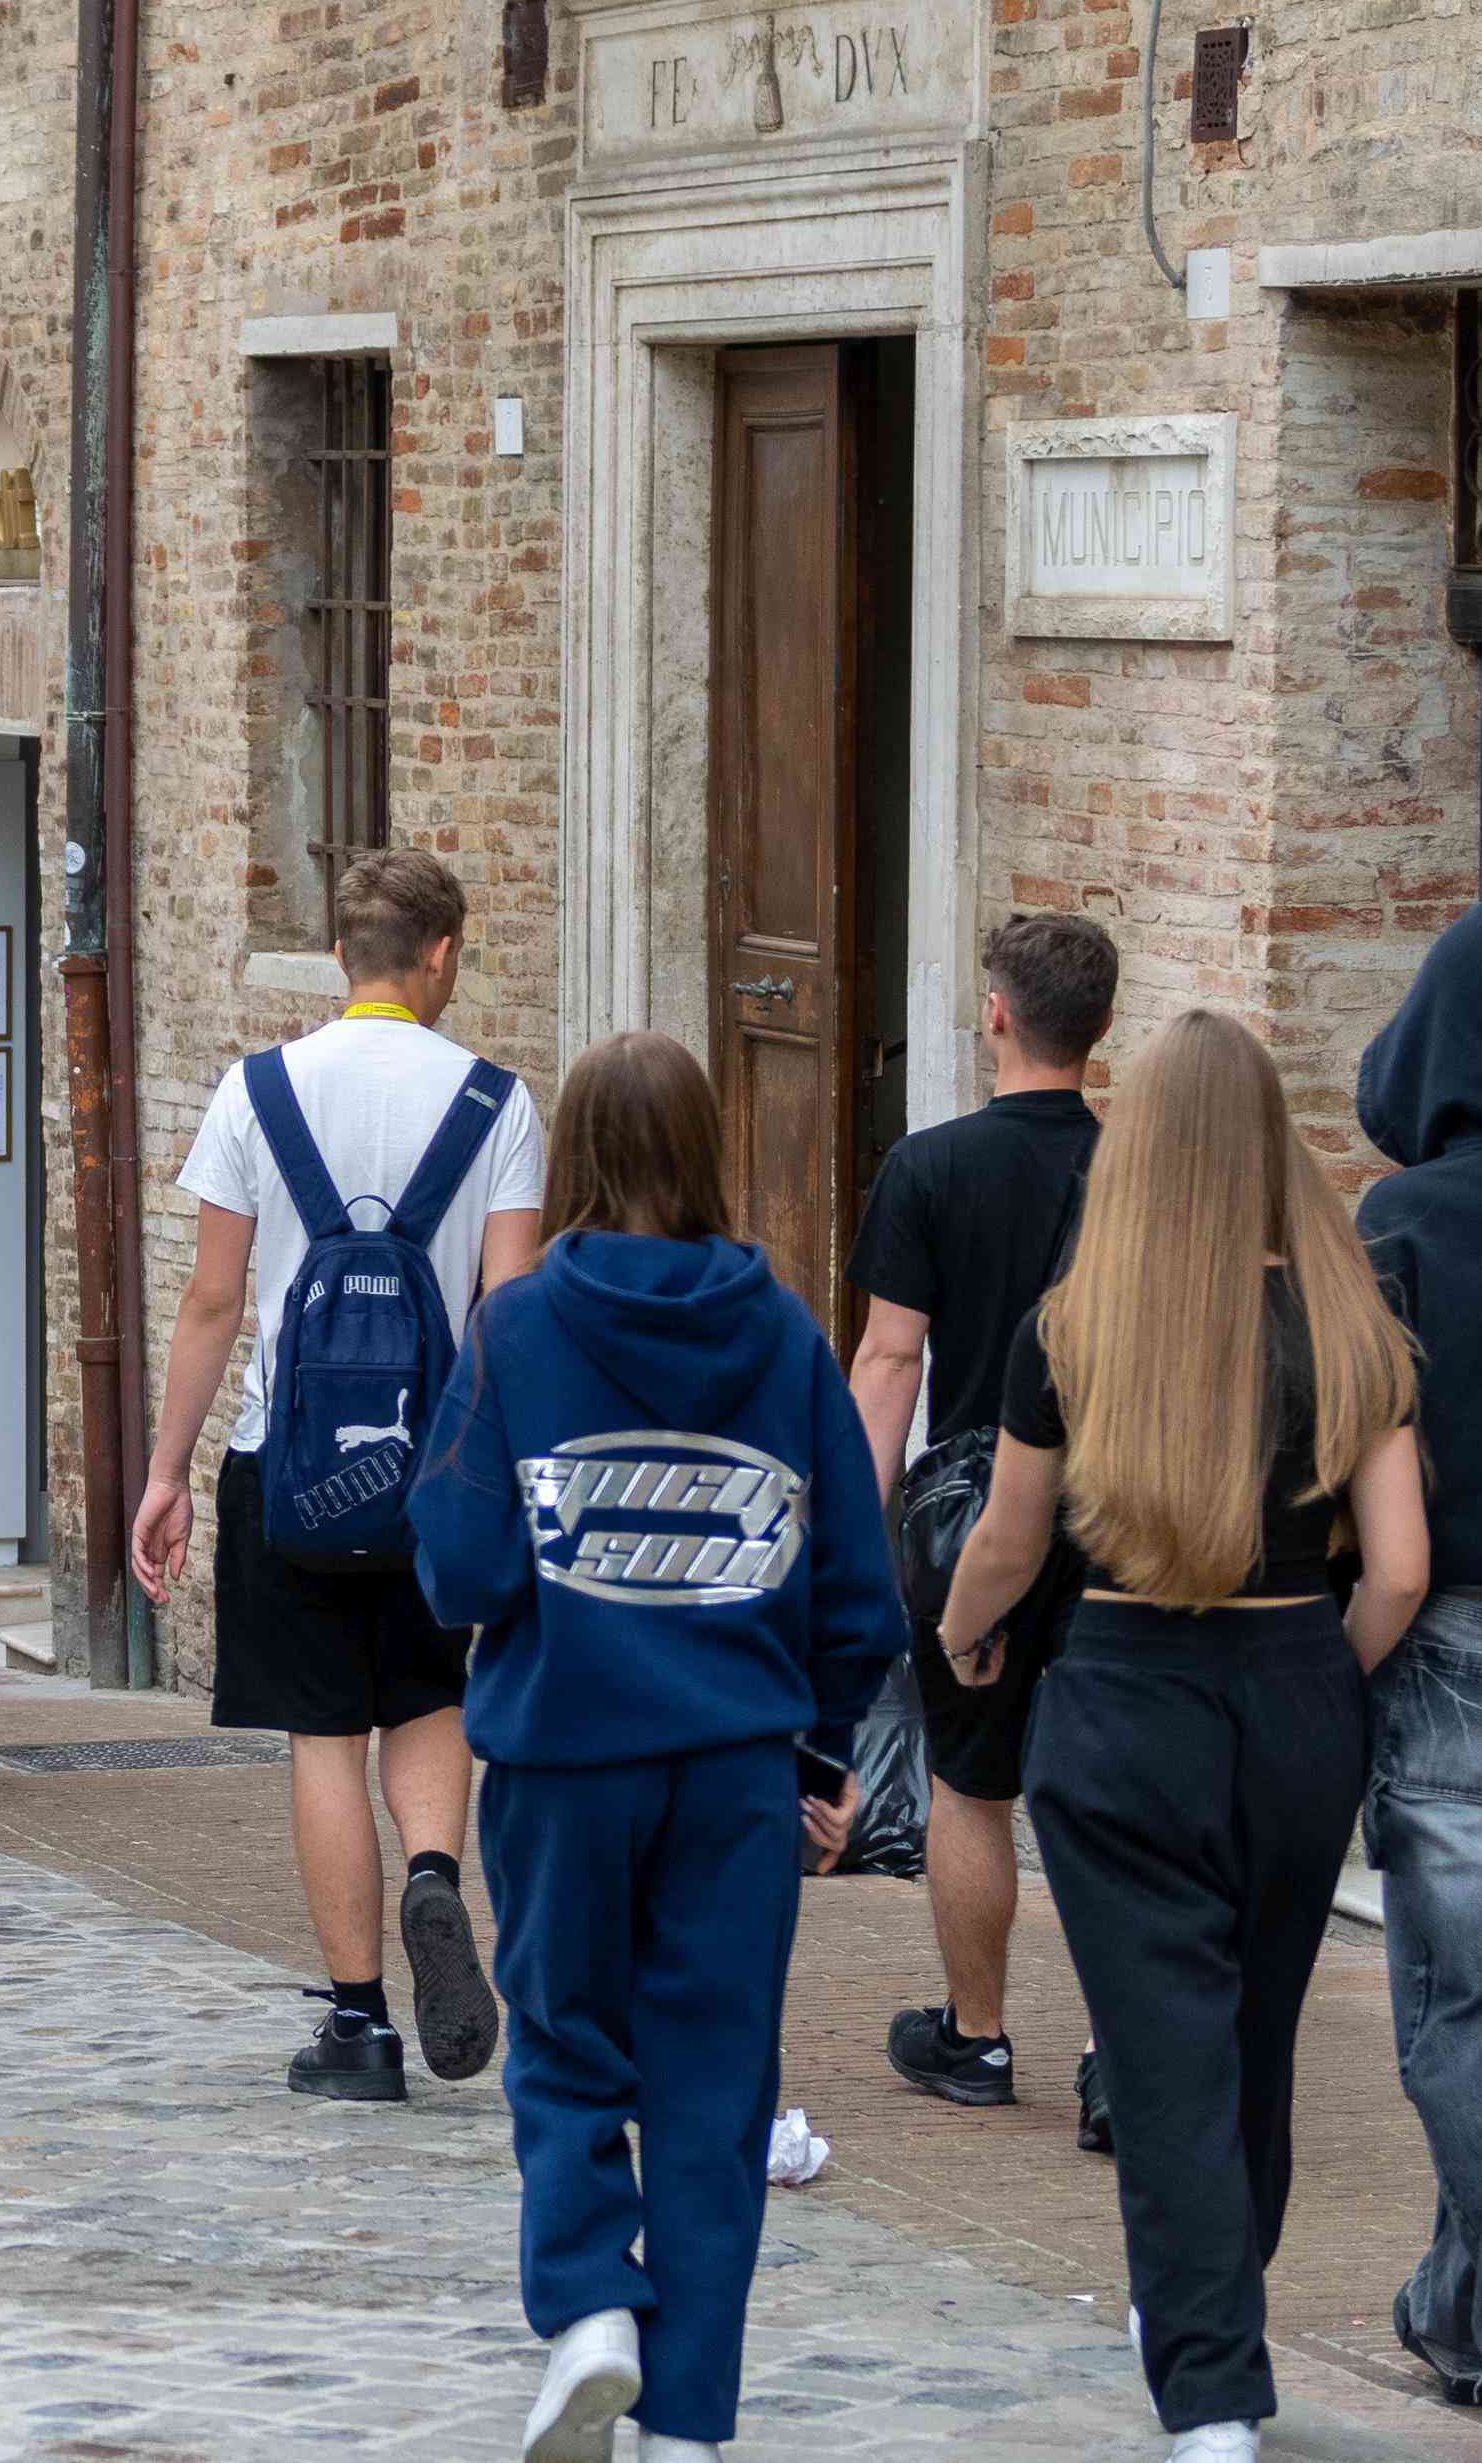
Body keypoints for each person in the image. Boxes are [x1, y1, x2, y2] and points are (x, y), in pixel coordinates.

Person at [410, 1031, 909, 2463]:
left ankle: (586, 2306)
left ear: (570, 1153)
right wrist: (820, 1755)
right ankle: (686, 2417)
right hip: (735, 1767)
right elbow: (855, 1586)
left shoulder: (514, 1328)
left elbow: (458, 1566)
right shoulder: (785, 1335)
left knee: (564, 2043)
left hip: (563, 1755)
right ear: (705, 1151)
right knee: (712, 2087)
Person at [942, 1008, 1430, 2463]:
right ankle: (1210, 2306)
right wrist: (1319, 1673)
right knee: (1250, 2031)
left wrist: (958, 1631)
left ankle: (1209, 2384)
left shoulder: (1074, 1326)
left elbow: (1007, 1537)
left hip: (1125, 1684)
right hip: (1292, 1685)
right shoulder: (1351, 1326)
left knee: (1162, 2051)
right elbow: (1397, 1568)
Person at [133, 845, 542, 2100]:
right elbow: (508, 1312)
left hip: (288, 1463)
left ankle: (358, 2025)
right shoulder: (496, 1104)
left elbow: (212, 1301)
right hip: (438, 1472)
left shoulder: (255, 1092)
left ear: (336, 956)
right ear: (439, 955)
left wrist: (167, 1471)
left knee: (323, 1734)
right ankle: (432, 1873)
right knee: (427, 1697)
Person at [846, 913, 1119, 2133]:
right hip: (1120, 1515)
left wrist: (858, 1523)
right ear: (1098, 1026)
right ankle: (1120, 2061)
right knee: (1115, 1793)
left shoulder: (928, 1166)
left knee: (968, 1780)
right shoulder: (1133, 1174)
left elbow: (888, 1357)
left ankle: (975, 2034)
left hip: (974, 1521)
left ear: (995, 1013)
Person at [1356, 900, 1482, 2418]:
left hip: (1455, 1632)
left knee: (1469, 2002)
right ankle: (1458, 2306)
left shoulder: (1398, 1225)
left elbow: (1374, 1508)